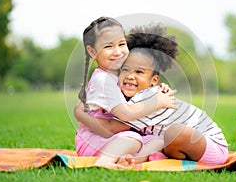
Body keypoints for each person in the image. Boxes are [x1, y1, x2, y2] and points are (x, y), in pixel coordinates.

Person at [75, 23, 228, 165]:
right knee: (158, 140)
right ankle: (140, 158)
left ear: (153, 80)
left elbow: (111, 128)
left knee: (173, 134)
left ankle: (145, 157)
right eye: (125, 69)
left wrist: (80, 114)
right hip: (196, 144)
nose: (130, 76)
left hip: (212, 145)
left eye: (139, 72)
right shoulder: (138, 93)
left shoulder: (146, 98)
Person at [75, 17, 176, 168]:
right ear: (92, 51)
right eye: (108, 46)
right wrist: (157, 102)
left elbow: (134, 92)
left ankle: (131, 161)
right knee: (132, 138)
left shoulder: (116, 74)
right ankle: (104, 161)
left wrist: (155, 88)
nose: (117, 52)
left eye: (121, 44)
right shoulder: (103, 80)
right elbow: (126, 113)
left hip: (112, 139)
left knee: (158, 140)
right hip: (93, 140)